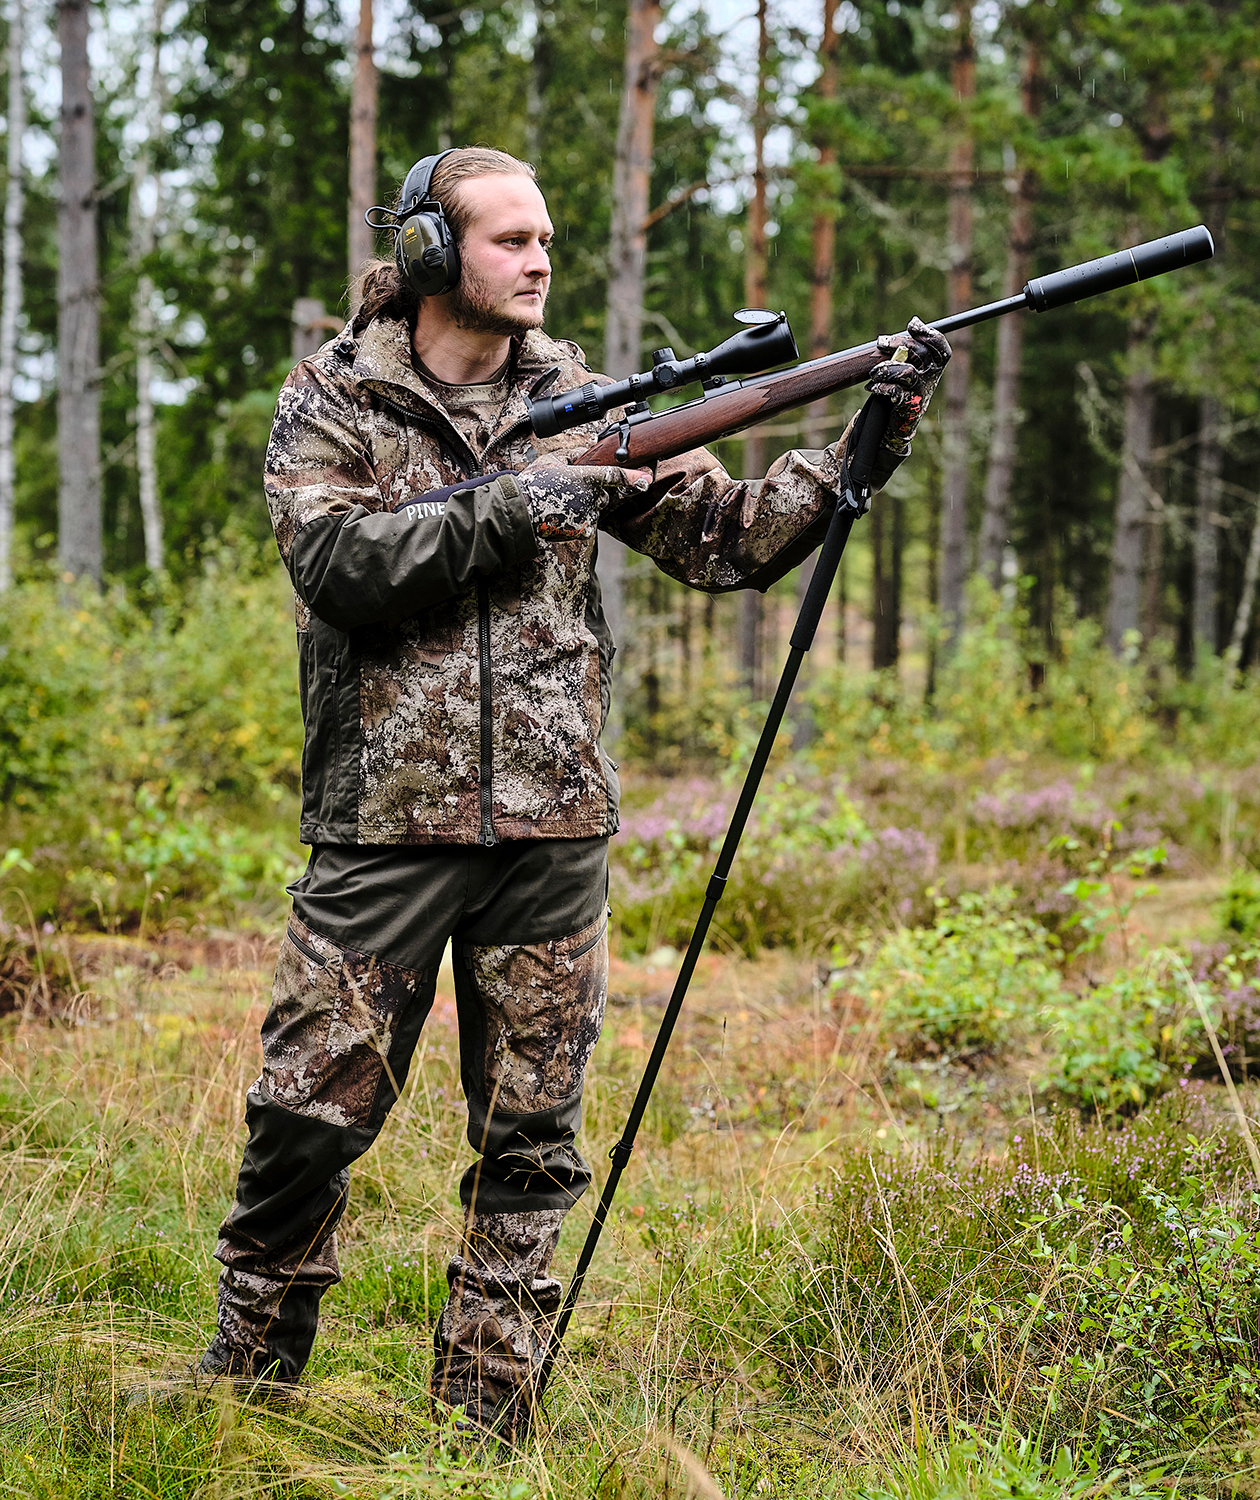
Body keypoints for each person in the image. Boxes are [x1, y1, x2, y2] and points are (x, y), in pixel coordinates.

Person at [199, 146, 949, 1437]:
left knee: (534, 1136)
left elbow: (727, 544)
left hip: (554, 824)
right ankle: (251, 1380)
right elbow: (340, 566)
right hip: (386, 820)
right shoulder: (334, 396)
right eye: (511, 241)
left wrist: (862, 439)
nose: (541, 261)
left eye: (547, 240)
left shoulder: (597, 400)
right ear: (436, 251)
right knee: (307, 1119)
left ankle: (485, 1417)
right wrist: (521, 503)